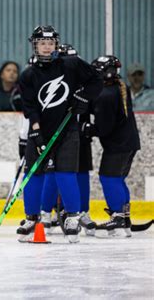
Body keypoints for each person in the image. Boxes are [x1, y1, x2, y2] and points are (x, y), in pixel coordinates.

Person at [18, 25, 103, 243]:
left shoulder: (71, 64)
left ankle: (72, 217)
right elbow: (29, 107)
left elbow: (96, 80)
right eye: (42, 43)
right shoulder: (28, 75)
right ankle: (32, 217)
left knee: (65, 174)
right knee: (33, 174)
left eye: (51, 43)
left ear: (56, 45)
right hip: (40, 132)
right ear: (35, 45)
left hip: (67, 130)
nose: (47, 47)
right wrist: (35, 132)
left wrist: (83, 98)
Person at [38, 44, 97, 236]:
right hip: (57, 133)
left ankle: (81, 212)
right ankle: (46, 212)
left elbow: (97, 103)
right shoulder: (51, 80)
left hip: (79, 134)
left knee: (80, 173)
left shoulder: (84, 81)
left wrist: (89, 125)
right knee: (54, 172)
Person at [82, 55, 140, 237]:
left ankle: (118, 217)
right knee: (117, 179)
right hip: (128, 142)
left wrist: (88, 128)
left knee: (109, 178)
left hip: (118, 144)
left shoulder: (106, 94)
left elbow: (104, 127)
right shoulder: (118, 87)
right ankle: (124, 219)